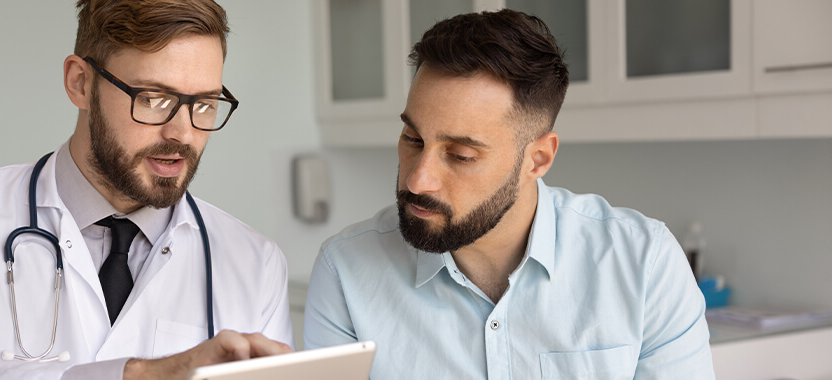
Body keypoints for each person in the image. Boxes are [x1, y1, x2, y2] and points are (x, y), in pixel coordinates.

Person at [0, 1, 293, 379]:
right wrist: (138, 375)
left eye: (204, 104)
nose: (182, 133)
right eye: (154, 99)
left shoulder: (253, 264)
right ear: (80, 83)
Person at [304, 9, 714, 379]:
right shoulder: (346, 272)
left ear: (537, 159)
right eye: (413, 139)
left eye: (461, 155)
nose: (418, 181)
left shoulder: (645, 264)